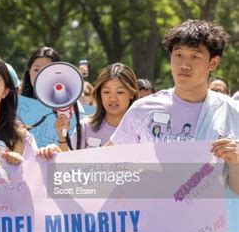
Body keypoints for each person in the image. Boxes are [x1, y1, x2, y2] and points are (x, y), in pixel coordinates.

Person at [109, 20, 238, 194]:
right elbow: (106, 167)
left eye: (195, 56)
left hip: (206, 220)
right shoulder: (143, 109)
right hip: (150, 219)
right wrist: (60, 160)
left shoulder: (231, 113)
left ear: (213, 63)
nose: (184, 64)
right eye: (178, 55)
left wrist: (236, 161)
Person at [39, 63, 138, 156]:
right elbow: (69, 166)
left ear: (132, 93)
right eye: (106, 92)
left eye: (120, 92)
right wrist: (62, 138)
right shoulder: (85, 127)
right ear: (99, 94)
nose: (112, 98)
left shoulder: (142, 129)